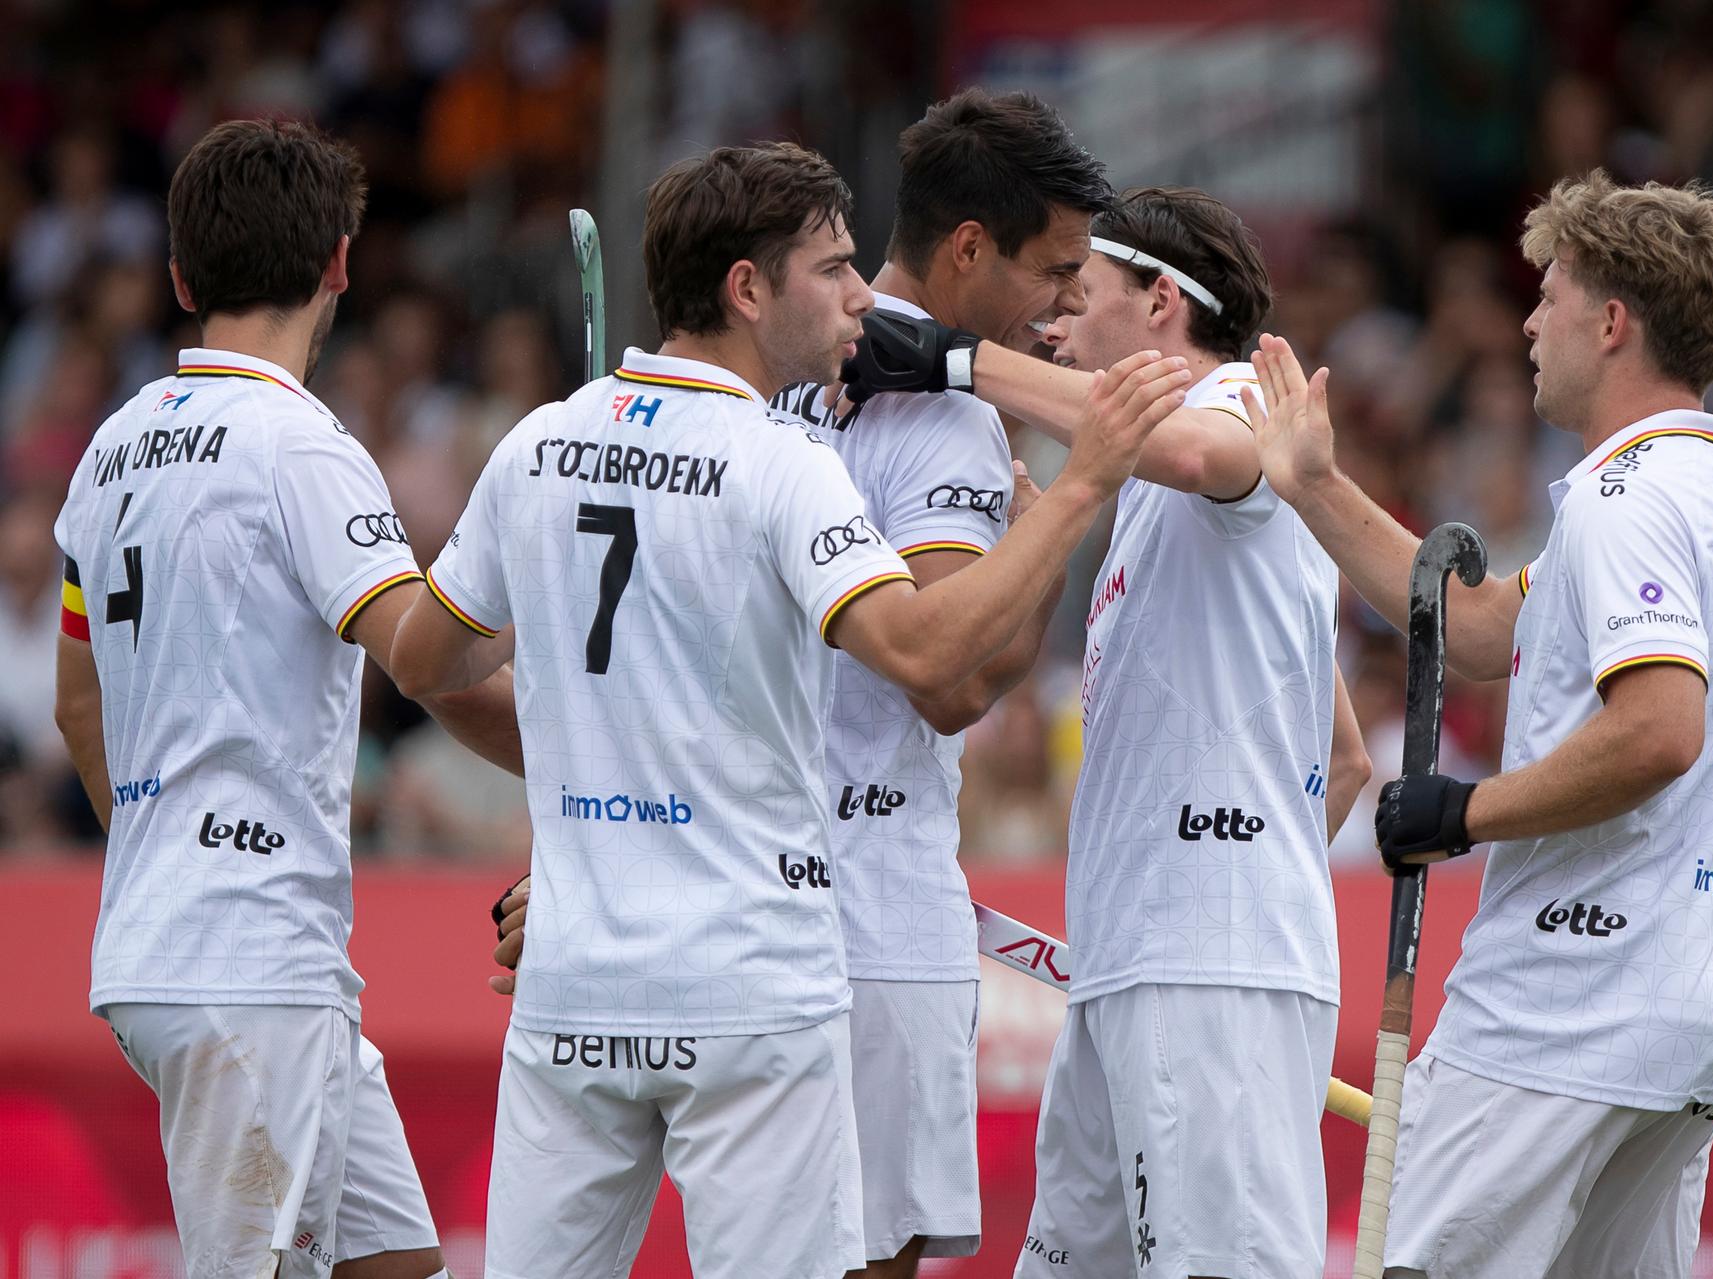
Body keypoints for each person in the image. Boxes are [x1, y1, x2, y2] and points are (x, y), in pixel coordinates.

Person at [386, 141, 1188, 1279]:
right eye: (835, 268)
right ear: (748, 290)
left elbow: (427, 664)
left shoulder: (537, 445)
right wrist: (1078, 493)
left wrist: (584, 757)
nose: (866, 297)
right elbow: (926, 652)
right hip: (754, 984)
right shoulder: (780, 460)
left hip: (576, 984)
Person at [1245, 170, 1713, 1278]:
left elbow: (1659, 731)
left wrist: (1463, 810)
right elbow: (1488, 630)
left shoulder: (1623, 500)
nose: (1531, 322)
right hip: (1699, 1004)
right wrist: (1313, 485)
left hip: (1567, 1004)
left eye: (1550, 295)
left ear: (1613, 321)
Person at [51, 119, 520, 1279]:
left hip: (188, 941)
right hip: (247, 959)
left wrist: (165, 850)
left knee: (397, 1263)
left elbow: (76, 705)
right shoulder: (299, 445)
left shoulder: (107, 452)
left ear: (178, 277)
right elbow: (418, 651)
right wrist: (521, 562)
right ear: (340, 266)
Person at [764, 88, 1111, 1277]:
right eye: (1056, 267)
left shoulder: (782, 370)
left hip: (752, 890)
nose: (1069, 299)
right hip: (872, 911)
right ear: (970, 249)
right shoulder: (954, 421)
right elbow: (952, 681)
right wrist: (1053, 526)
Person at [1012, 185, 1372, 1279]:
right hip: (1144, 966)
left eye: (1081, 296)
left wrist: (952, 362)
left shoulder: (1233, 411)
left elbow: (1210, 458)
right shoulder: (1149, 491)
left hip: (1202, 972)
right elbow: (1345, 759)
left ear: (1163, 301)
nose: (1054, 327)